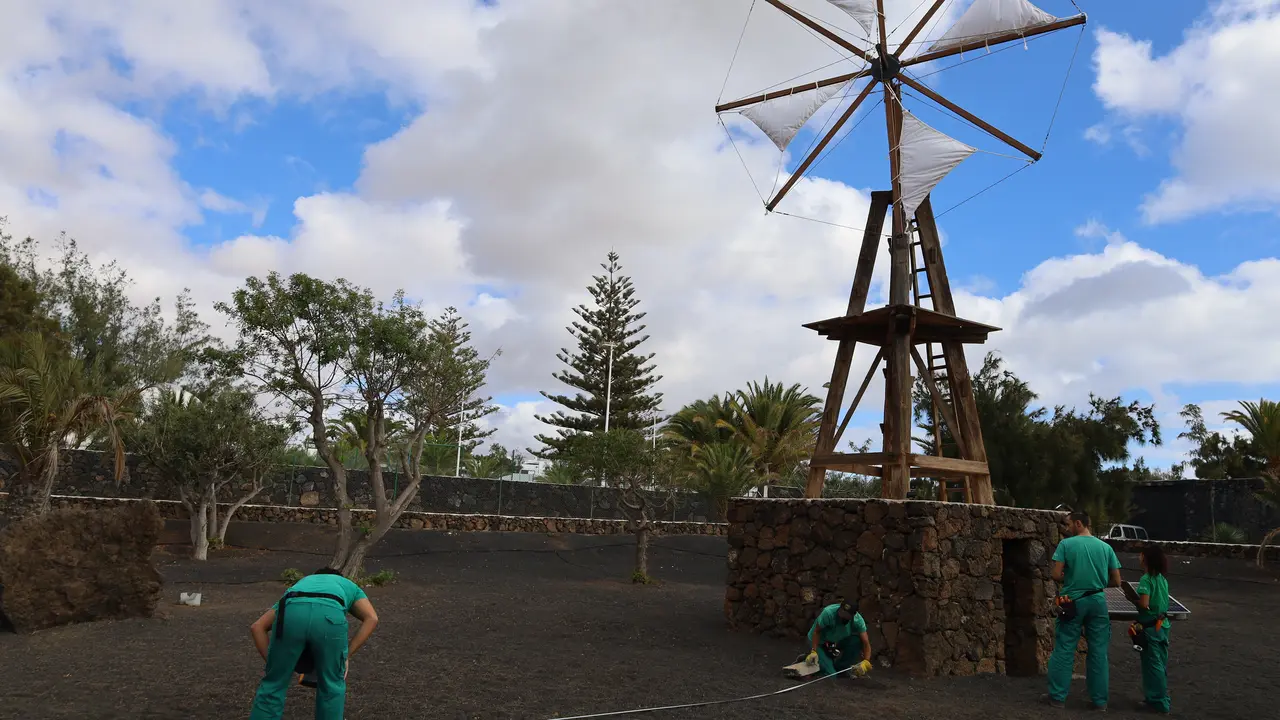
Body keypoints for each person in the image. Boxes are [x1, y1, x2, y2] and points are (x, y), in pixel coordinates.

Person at [248, 567, 379, 720]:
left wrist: (276, 665)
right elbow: (372, 618)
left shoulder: (301, 585)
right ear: (339, 577)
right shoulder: (347, 584)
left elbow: (257, 627)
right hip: (329, 617)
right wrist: (346, 655)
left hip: (292, 613)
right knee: (331, 686)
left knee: (273, 684)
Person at [1044, 511, 1122, 711]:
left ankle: (1057, 697)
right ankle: (1100, 701)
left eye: (1068, 524)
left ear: (1078, 523)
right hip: (1098, 602)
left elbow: (1055, 574)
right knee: (1098, 652)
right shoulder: (1106, 548)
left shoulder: (1066, 545)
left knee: (1064, 648)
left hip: (1073, 602)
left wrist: (1072, 578)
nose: (1066, 528)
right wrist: (1096, 582)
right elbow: (1117, 581)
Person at [1126, 546, 1172, 714]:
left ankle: (1158, 702)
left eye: (1141, 555)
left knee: (1153, 665)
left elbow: (1144, 604)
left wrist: (1132, 599)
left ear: (1146, 558)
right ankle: (1156, 698)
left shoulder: (1146, 580)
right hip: (1162, 625)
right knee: (1160, 663)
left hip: (1151, 628)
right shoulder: (1162, 579)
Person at [804, 599, 873, 678]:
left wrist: (866, 662)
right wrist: (814, 651)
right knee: (832, 675)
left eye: (846, 614)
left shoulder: (858, 621)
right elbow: (816, 632)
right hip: (818, 642)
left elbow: (866, 642)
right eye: (842, 612)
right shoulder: (828, 613)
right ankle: (813, 661)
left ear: (853, 615)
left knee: (856, 641)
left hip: (834, 641)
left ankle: (840, 668)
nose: (842, 615)